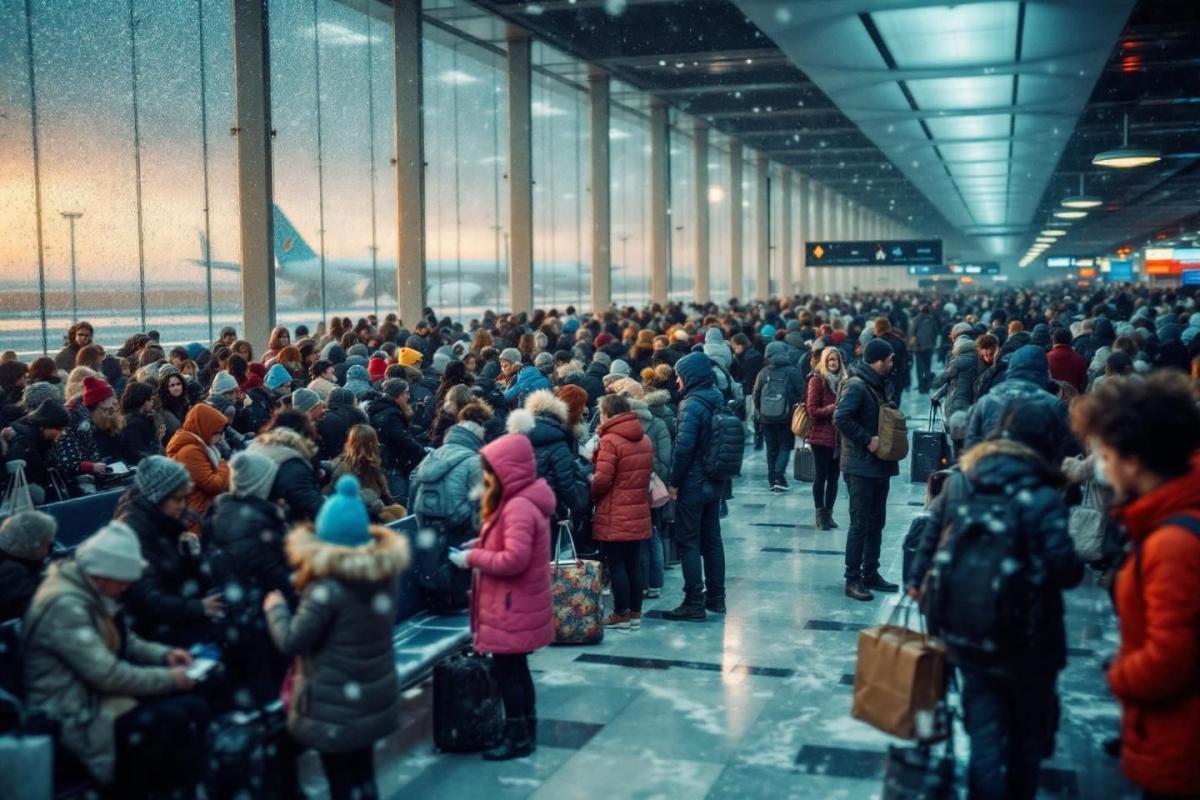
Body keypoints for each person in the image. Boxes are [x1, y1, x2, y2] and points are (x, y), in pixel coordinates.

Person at [906, 403, 1083, 800]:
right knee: (1025, 741)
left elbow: (930, 534)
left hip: (968, 628)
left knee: (983, 729)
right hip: (1031, 636)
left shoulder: (962, 481)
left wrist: (917, 583)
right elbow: (1066, 570)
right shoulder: (1043, 493)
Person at [1070, 372, 1200, 799]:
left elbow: (1170, 658)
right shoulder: (1169, 518)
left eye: (1104, 451)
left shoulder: (1173, 544)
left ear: (1134, 459)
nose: (1101, 462)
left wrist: (1120, 675)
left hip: (1180, 743)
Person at [23, 521, 208, 796]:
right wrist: (171, 680)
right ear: (102, 576)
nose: (126, 588)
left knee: (193, 708)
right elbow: (106, 675)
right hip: (73, 711)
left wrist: (165, 656)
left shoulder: (88, 590)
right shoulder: (65, 606)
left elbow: (126, 640)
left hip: (96, 697)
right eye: (122, 581)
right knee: (173, 720)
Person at [264, 475, 409, 800]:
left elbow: (291, 640)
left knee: (341, 779)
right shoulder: (381, 575)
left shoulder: (326, 589)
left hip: (334, 702)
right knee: (362, 774)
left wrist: (275, 610)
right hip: (371, 693)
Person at [448, 433, 555, 760]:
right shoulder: (521, 500)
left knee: (509, 672)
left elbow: (514, 560)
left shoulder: (518, 506)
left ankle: (517, 736)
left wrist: (472, 559)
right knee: (517, 670)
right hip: (516, 602)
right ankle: (526, 729)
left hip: (512, 604)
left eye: (488, 470)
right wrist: (479, 546)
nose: (485, 477)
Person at [203, 450, 295, 709]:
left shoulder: (221, 513)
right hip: (262, 617)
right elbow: (277, 575)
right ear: (260, 484)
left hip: (238, 616)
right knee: (273, 692)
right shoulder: (257, 523)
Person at [117, 455, 224, 647]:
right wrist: (198, 607)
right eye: (178, 499)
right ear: (158, 497)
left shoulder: (164, 523)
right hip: (153, 632)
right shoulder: (136, 533)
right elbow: (147, 598)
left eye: (185, 498)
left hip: (173, 614)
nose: (184, 505)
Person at [833, 338, 900, 601]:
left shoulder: (879, 384)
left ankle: (871, 571)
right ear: (879, 359)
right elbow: (840, 417)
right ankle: (853, 578)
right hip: (860, 465)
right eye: (890, 358)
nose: (893, 362)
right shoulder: (856, 385)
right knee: (860, 523)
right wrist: (866, 439)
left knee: (877, 521)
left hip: (879, 463)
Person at [663, 351, 727, 621]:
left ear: (689, 376)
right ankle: (717, 597)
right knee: (712, 540)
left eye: (679, 376)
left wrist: (674, 482)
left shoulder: (691, 404)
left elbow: (684, 449)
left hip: (693, 481)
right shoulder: (716, 397)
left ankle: (693, 601)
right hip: (714, 479)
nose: (677, 381)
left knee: (688, 541)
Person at [590, 394, 654, 630]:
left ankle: (620, 614)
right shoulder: (644, 438)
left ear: (607, 413)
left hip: (614, 511)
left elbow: (602, 480)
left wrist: (592, 489)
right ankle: (635, 614)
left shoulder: (610, 441)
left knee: (616, 564)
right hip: (638, 510)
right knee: (633, 564)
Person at [964, 344, 1074, 463]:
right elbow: (1068, 450)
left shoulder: (985, 401)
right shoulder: (1054, 404)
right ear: (1044, 370)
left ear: (1011, 367)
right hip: (1038, 475)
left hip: (991, 474)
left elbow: (971, 445)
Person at [505, 389, 587, 526]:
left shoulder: (514, 438)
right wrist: (574, 507)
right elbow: (566, 483)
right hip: (549, 511)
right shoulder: (559, 443)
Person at [247, 410, 327, 523]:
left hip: (251, 515)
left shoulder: (259, 445)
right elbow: (311, 503)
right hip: (275, 526)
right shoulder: (292, 463)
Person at [752, 340, 806, 492]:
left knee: (771, 448)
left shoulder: (763, 373)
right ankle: (778, 476)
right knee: (785, 446)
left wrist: (761, 410)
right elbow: (802, 393)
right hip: (786, 417)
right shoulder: (792, 371)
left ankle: (772, 479)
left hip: (766, 417)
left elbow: (756, 394)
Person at [165, 402, 231, 519]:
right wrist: (223, 464)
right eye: (217, 432)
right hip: (198, 516)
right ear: (205, 428)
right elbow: (214, 485)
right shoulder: (190, 451)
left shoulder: (202, 445)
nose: (221, 437)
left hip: (207, 509)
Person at [368, 378, 427, 504]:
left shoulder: (386, 409)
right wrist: (424, 453)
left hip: (391, 461)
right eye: (406, 393)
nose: (408, 396)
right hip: (393, 463)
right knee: (400, 499)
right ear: (398, 395)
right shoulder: (390, 414)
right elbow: (403, 438)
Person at [331, 424, 405, 522]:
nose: (378, 444)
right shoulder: (347, 471)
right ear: (369, 444)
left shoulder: (372, 463)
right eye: (375, 441)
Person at [805, 346, 842, 531]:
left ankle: (829, 513)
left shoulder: (844, 381)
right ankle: (820, 513)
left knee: (835, 477)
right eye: (830, 360)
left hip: (839, 438)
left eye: (836, 360)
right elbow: (812, 411)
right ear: (824, 362)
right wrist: (832, 408)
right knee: (821, 476)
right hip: (820, 436)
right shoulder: (816, 381)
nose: (834, 363)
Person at [0, 510, 56, 622]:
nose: (49, 550)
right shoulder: (12, 573)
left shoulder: (12, 561)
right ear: (34, 545)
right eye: (47, 544)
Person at [118, 380, 163, 464]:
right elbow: (137, 451)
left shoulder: (144, 419)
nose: (152, 402)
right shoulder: (134, 423)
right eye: (150, 399)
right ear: (142, 400)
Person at [1047, 327, 1088, 393]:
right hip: (1073, 399)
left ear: (1053, 340)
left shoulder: (1046, 358)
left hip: (1051, 398)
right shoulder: (1080, 359)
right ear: (1070, 340)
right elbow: (1083, 382)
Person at [910, 304, 938, 393]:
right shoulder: (932, 319)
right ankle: (927, 386)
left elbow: (912, 332)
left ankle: (921, 387)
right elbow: (936, 332)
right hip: (929, 347)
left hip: (919, 347)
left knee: (919, 368)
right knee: (927, 368)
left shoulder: (916, 319)